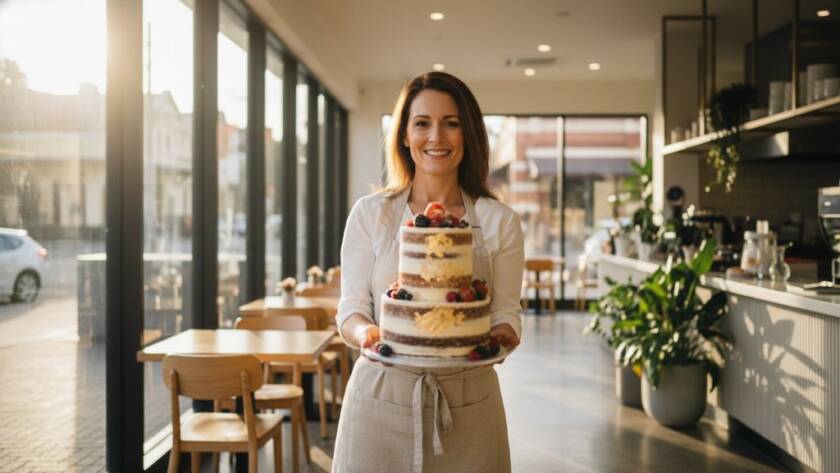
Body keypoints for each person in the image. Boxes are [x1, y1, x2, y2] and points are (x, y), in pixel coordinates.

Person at [332, 71, 525, 473]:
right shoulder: (371, 214)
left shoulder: (498, 220)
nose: (436, 136)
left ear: (468, 133)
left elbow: (506, 312)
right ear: (404, 134)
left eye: (451, 123)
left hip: (470, 401)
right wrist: (367, 334)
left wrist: (503, 335)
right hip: (380, 395)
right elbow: (351, 309)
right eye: (422, 123)